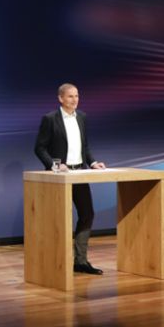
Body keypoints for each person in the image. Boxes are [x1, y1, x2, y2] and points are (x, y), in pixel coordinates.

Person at [34, 83, 107, 275]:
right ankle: (53, 261)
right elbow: (39, 148)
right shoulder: (50, 119)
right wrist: (55, 166)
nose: (74, 100)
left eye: (76, 96)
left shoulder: (82, 117)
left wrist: (92, 163)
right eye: (70, 96)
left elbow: (85, 147)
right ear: (60, 98)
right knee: (58, 219)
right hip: (58, 176)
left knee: (87, 214)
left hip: (79, 173)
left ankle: (80, 261)